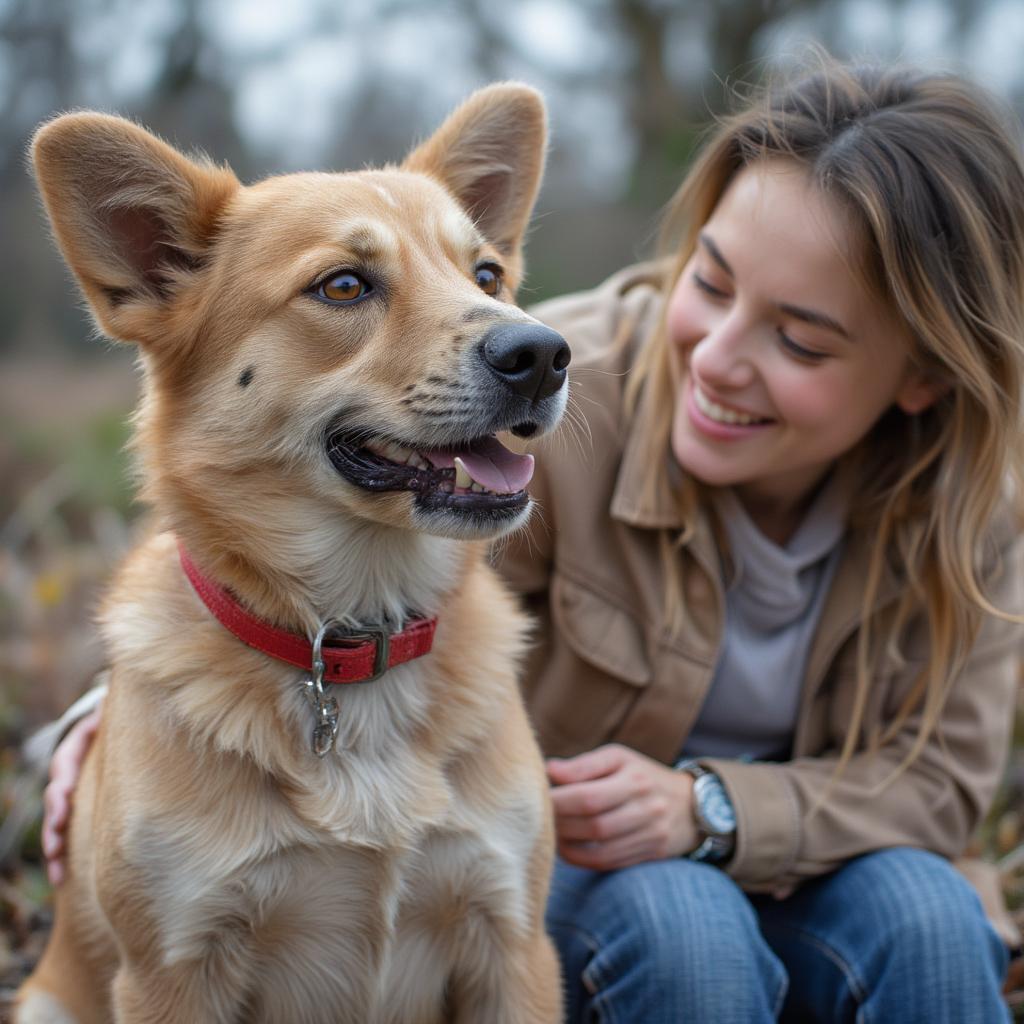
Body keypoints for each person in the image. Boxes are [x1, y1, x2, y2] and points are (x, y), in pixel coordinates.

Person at [41, 55, 1024, 1022]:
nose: (717, 360)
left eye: (801, 339)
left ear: (923, 377)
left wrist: (709, 810)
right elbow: (255, 517)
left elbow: (939, 784)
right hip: (627, 894)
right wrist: (119, 718)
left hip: (827, 870)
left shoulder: (972, 505)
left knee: (927, 916)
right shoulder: (542, 382)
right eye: (710, 283)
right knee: (681, 922)